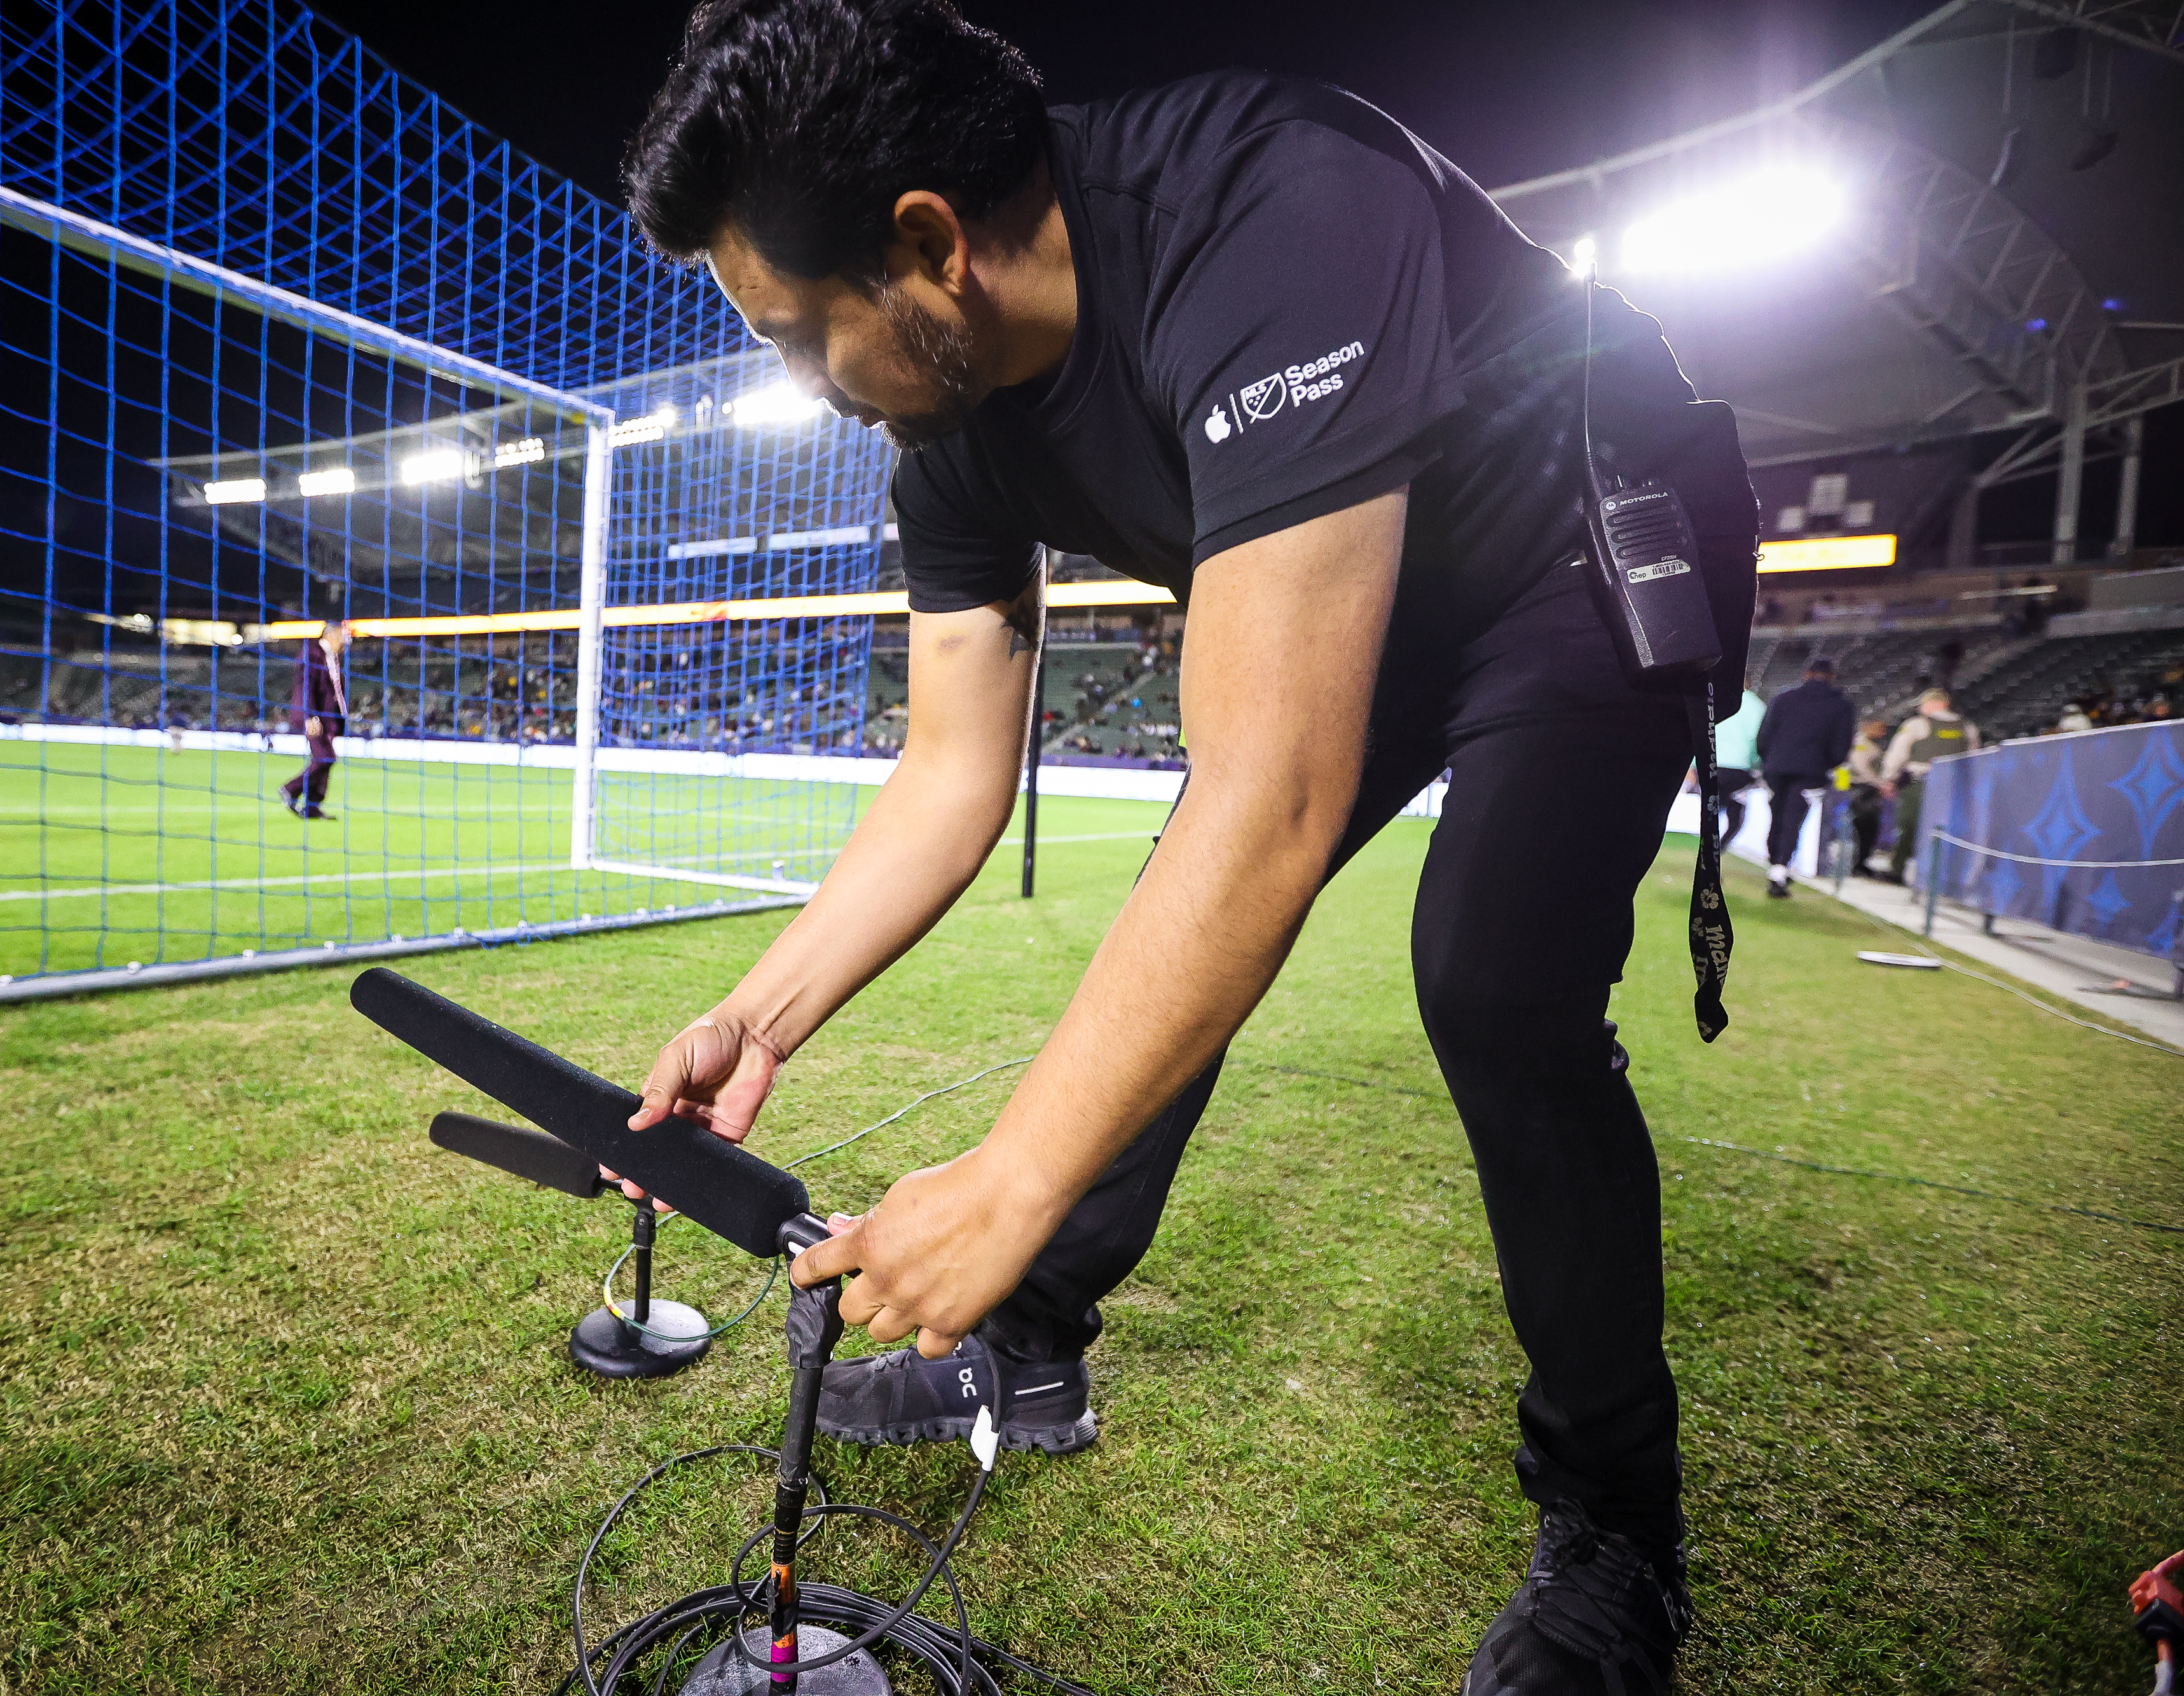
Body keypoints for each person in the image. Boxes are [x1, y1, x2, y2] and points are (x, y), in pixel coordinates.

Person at [620, 6, 1757, 1689]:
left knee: (1496, 979)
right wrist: (760, 1014)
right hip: (1349, 605)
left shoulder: (1277, 202)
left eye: (801, 336)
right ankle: (1034, 1351)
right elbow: (949, 773)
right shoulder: (945, 424)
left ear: (927, 246)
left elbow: (1270, 797)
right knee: (1178, 920)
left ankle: (1616, 1523)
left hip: (1574, 547)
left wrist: (1006, 1176)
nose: (809, 386)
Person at [1753, 658, 1854, 898]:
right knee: (1793, 820)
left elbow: (1764, 735)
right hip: (1811, 771)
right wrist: (1825, 764)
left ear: (1807, 674)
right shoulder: (1841, 705)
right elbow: (1841, 746)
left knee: (1778, 816)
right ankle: (1779, 869)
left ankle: (1776, 862)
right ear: (1832, 676)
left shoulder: (1784, 699)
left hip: (1777, 768)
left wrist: (1769, 760)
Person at [1881, 687, 1979, 883]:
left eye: (1923, 704)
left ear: (1937, 703)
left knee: (1909, 826)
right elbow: (1974, 757)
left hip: (1920, 784)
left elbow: (1898, 753)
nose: (1920, 709)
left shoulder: (1917, 725)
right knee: (1944, 831)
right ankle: (1938, 876)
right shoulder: (1967, 727)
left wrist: (1889, 778)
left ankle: (1898, 869)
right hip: (1953, 786)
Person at [281, 621, 348, 820]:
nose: (346, 640)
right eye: (343, 635)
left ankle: (312, 807)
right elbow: (305, 688)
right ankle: (290, 789)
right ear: (332, 635)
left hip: (329, 719)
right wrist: (310, 717)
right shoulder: (311, 654)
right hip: (315, 717)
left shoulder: (333, 658)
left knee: (327, 760)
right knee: (325, 758)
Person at [1710, 675, 1765, 852]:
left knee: (1710, 811)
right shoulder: (1757, 706)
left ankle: (1707, 850)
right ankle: (1719, 851)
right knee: (1735, 818)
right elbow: (1760, 740)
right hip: (1740, 770)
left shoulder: (1715, 700)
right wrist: (1757, 765)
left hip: (1711, 764)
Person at [1844, 719, 1888, 876]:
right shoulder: (1862, 744)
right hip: (1862, 789)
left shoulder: (1858, 742)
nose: (1883, 734)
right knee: (1865, 826)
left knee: (1864, 827)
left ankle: (1859, 861)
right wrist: (1880, 783)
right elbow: (1861, 768)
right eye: (1881, 730)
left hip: (1859, 787)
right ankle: (1858, 863)